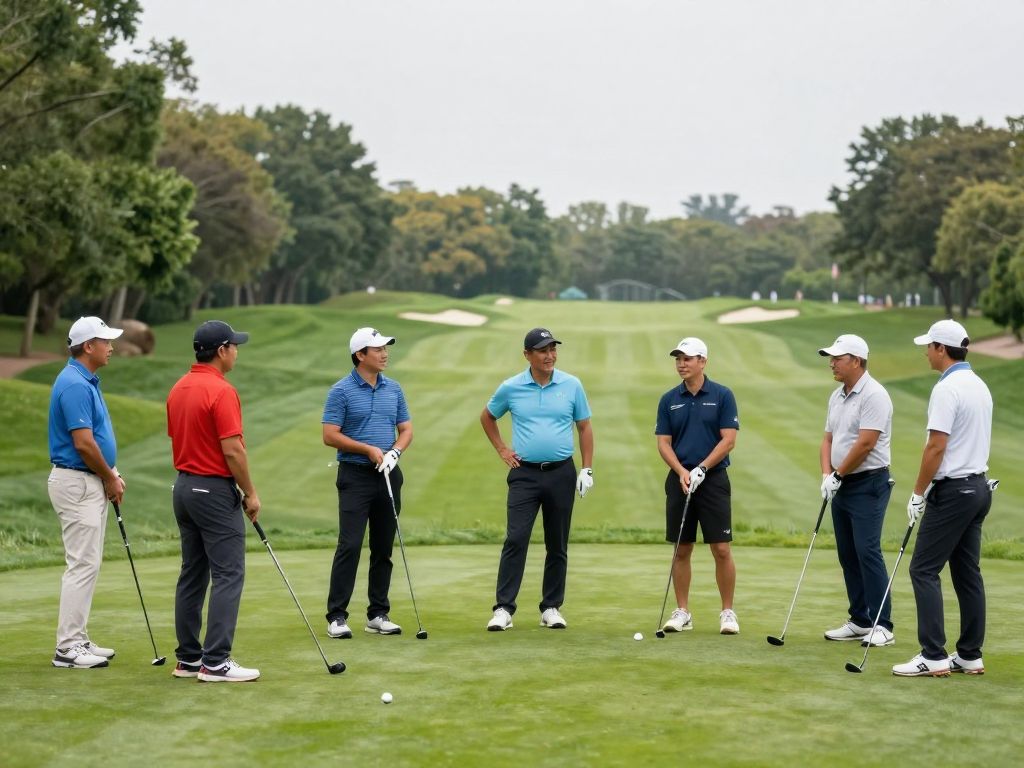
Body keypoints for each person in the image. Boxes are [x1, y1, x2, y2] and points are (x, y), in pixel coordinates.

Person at [893, 320, 993, 677]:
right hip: (978, 487)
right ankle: (969, 654)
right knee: (967, 574)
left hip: (953, 491)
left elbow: (936, 445)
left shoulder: (947, 388)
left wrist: (918, 492)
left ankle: (933, 655)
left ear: (941, 349)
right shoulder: (979, 385)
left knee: (923, 569)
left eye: (929, 346)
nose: (925, 353)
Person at [166, 320, 261, 682]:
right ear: (222, 351)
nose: (237, 350)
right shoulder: (221, 391)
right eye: (234, 345)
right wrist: (250, 492)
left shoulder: (178, 388)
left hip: (183, 489)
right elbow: (233, 449)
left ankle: (190, 659)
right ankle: (216, 660)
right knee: (228, 574)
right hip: (212, 490)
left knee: (192, 573)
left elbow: (180, 437)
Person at [481, 328, 594, 631]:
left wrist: (587, 468)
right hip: (524, 475)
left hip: (561, 472)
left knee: (557, 543)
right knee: (516, 539)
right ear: (527, 355)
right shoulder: (511, 387)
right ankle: (504, 608)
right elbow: (488, 417)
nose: (550, 355)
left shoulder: (571, 385)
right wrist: (503, 449)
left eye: (553, 349)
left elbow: (584, 427)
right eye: (543, 350)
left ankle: (551, 607)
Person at [324, 327, 413, 639]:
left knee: (383, 546)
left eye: (386, 348)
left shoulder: (394, 389)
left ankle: (378, 613)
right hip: (354, 475)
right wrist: (367, 449)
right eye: (377, 349)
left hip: (387, 474)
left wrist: (395, 453)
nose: (385, 353)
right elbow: (329, 435)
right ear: (360, 355)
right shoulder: (341, 391)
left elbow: (406, 429)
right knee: (349, 545)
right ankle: (336, 616)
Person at [48, 316, 126, 668]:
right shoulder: (75, 384)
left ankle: (77, 638)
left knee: (88, 564)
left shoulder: (85, 380)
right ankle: (67, 648)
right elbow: (83, 443)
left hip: (87, 480)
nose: (112, 347)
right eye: (105, 341)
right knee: (82, 564)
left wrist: (109, 474)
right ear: (88, 346)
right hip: (78, 481)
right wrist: (109, 476)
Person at [656, 337, 740, 635]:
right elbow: (663, 443)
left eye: (688, 358)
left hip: (713, 480)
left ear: (702, 361)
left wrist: (703, 468)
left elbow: (728, 439)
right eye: (678, 358)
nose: (681, 363)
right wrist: (681, 471)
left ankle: (727, 612)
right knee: (682, 548)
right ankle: (682, 612)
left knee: (720, 548)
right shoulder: (669, 399)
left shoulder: (722, 395)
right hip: (680, 481)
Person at [817, 334, 895, 647]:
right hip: (841, 483)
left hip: (869, 483)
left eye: (838, 358)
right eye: (831, 358)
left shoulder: (875, 394)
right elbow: (827, 439)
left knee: (867, 550)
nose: (832, 363)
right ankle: (860, 620)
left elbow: (866, 443)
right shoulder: (837, 396)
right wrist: (827, 475)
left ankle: (882, 624)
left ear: (857, 361)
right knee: (848, 553)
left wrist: (838, 473)